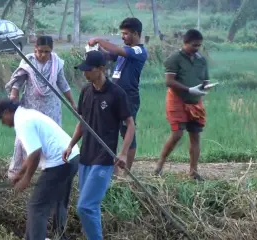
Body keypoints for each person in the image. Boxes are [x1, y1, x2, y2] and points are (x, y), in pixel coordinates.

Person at [63, 50, 134, 240]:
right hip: (86, 155)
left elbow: (130, 125)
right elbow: (82, 122)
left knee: (85, 206)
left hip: (104, 158)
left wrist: (123, 153)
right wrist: (71, 145)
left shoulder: (116, 94)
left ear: (101, 69)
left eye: (89, 69)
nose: (85, 73)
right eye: (83, 70)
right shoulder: (86, 91)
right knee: (89, 208)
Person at [0, 98, 79, 240]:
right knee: (59, 200)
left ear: (7, 112)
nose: (3, 123)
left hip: (59, 162)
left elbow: (35, 153)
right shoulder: (28, 115)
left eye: (2, 118)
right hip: (72, 157)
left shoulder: (23, 122)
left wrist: (26, 179)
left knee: (37, 207)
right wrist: (20, 173)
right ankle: (60, 236)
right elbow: (32, 153)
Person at [5, 35, 76, 179]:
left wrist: (73, 103)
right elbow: (18, 82)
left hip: (51, 107)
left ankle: (49, 170)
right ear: (35, 49)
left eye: (46, 52)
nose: (42, 55)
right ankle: (16, 171)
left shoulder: (57, 63)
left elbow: (63, 84)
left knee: (50, 138)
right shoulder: (28, 62)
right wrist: (14, 95)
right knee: (23, 138)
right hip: (31, 106)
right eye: (40, 51)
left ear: (52, 51)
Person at [87, 17, 147, 175]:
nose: (123, 37)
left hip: (129, 97)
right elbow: (108, 55)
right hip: (114, 96)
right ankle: (111, 170)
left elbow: (118, 51)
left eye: (126, 34)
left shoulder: (138, 51)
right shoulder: (124, 51)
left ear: (135, 33)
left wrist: (99, 39)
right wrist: (96, 51)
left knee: (127, 131)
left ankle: (126, 173)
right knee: (110, 129)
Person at [155, 29, 210, 181]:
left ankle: (193, 171)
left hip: (195, 101)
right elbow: (169, 81)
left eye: (199, 46)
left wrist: (205, 88)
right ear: (185, 43)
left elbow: (205, 80)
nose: (196, 48)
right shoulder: (174, 59)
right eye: (194, 45)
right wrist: (188, 89)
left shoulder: (201, 60)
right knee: (177, 134)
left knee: (195, 135)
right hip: (177, 100)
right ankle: (160, 164)